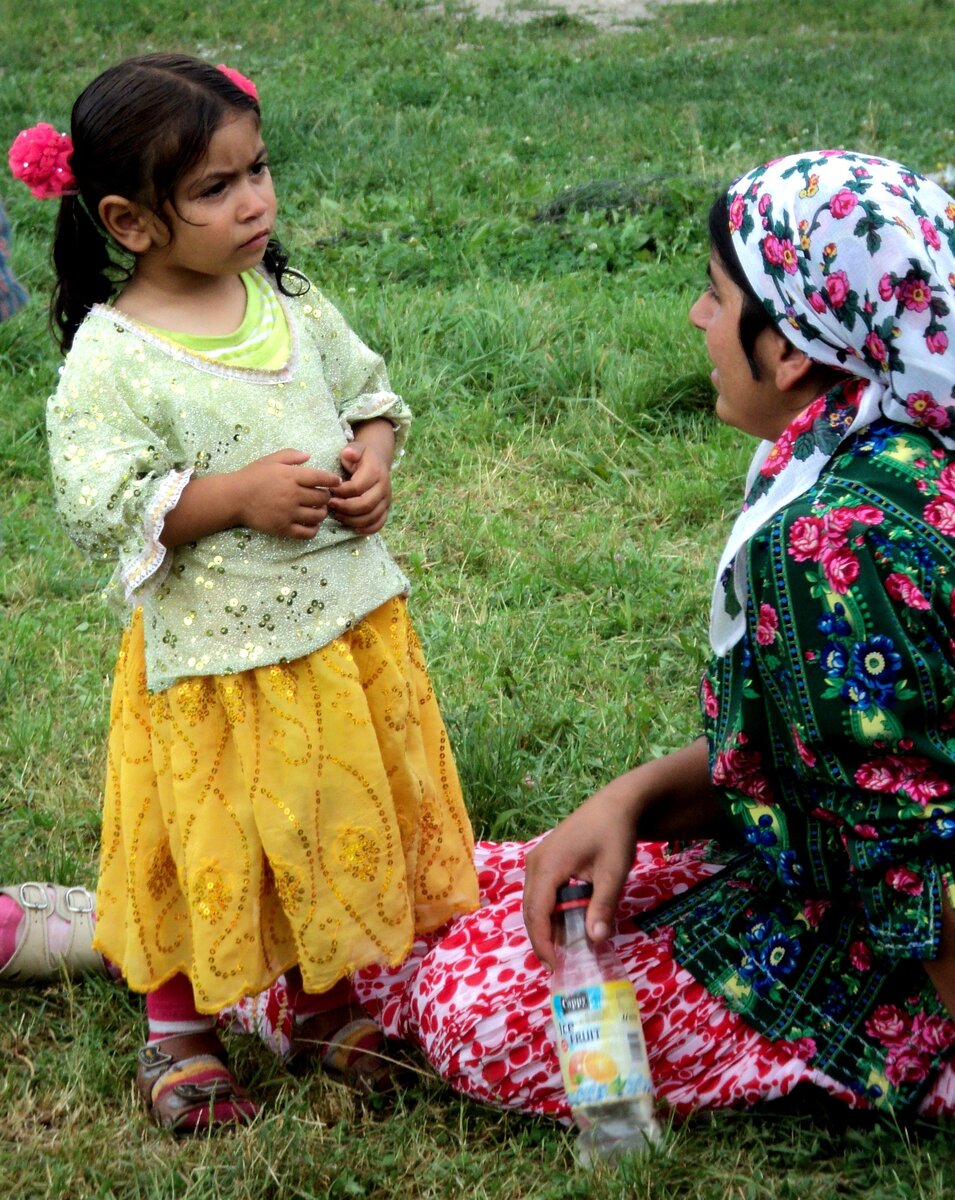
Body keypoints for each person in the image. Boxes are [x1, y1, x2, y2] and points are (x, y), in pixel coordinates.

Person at [230, 147, 955, 1123]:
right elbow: (840, 746)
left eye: (713, 295)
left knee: (486, 1011)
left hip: (882, 966)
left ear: (788, 349)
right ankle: (196, 940)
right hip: (813, 880)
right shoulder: (880, 447)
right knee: (463, 883)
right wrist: (635, 798)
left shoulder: (834, 535)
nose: (698, 319)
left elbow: (916, 854)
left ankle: (230, 971)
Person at [6, 53, 477, 1133]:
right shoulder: (113, 359)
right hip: (215, 666)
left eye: (257, 170)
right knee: (205, 841)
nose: (256, 200)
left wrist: (373, 460)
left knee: (325, 818)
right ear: (129, 220)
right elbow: (99, 505)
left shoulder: (290, 301)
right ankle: (178, 1029)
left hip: (341, 633)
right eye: (216, 188)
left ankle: (321, 1001)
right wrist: (232, 496)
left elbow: (370, 392)